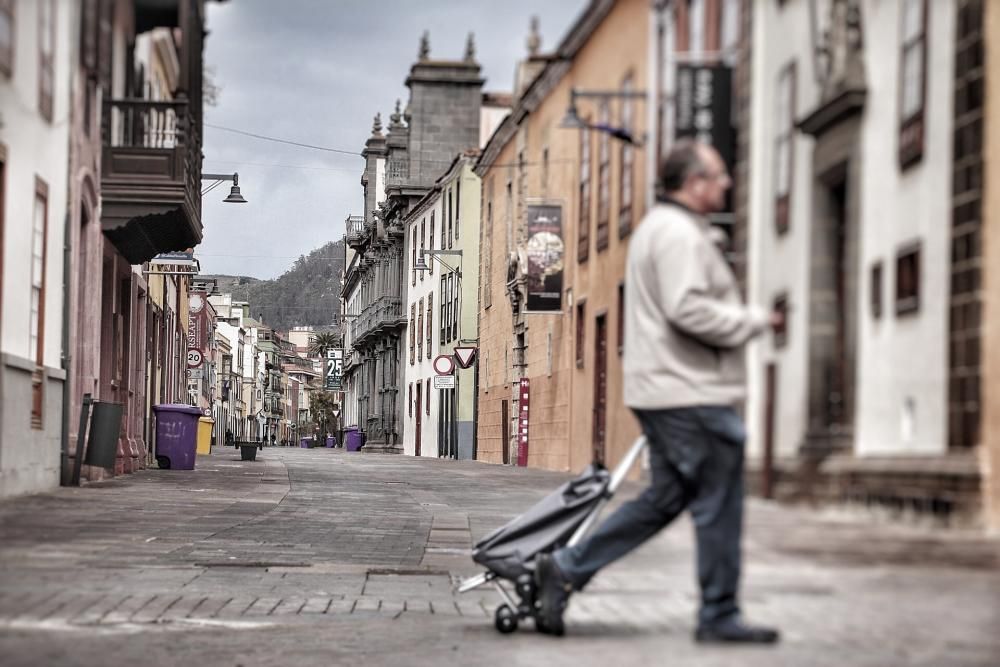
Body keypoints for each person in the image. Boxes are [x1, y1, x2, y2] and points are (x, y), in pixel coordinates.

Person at [534, 140, 783, 644]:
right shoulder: (676, 234)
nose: (727, 184)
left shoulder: (665, 229)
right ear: (694, 183)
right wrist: (752, 321)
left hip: (669, 390)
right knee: (719, 500)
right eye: (718, 176)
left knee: (665, 499)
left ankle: (565, 568)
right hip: (689, 394)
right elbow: (686, 309)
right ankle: (718, 613)